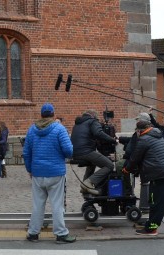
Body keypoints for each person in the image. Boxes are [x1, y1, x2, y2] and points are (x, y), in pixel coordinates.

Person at [24, 103, 76, 244]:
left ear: (41, 115)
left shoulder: (32, 130)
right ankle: (60, 234)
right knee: (57, 205)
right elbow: (69, 150)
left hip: (38, 173)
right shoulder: (59, 129)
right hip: (56, 172)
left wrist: (30, 169)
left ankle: (33, 233)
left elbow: (26, 153)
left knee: (37, 205)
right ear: (53, 114)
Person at [71, 110, 117, 195]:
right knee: (109, 165)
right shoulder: (92, 121)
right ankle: (88, 183)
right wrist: (113, 140)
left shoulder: (77, 124)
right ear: (93, 115)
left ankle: (85, 187)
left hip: (75, 152)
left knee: (92, 163)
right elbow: (98, 133)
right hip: (86, 151)